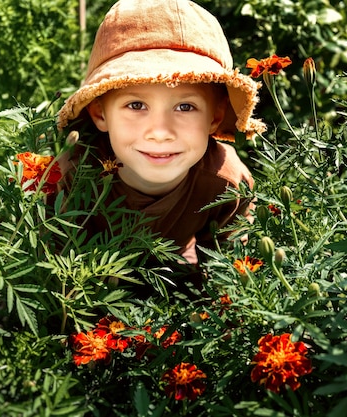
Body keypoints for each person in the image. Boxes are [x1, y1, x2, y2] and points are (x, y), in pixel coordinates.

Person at [56, 0, 265, 266]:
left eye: (185, 106)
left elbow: (228, 273)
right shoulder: (72, 177)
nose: (160, 132)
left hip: (176, 280)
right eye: (136, 105)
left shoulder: (227, 183)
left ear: (215, 117)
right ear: (100, 114)